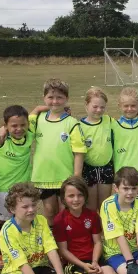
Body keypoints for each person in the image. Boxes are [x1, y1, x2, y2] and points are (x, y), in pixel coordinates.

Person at [29, 79, 86, 228]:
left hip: (65, 177)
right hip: (44, 176)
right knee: (49, 211)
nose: (55, 101)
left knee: (64, 212)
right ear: (44, 98)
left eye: (60, 97)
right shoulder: (38, 119)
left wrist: (76, 177)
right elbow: (20, 128)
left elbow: (79, 152)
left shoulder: (72, 123)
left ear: (66, 99)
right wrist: (36, 110)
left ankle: (66, 244)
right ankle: (53, 243)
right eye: (50, 97)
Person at [53, 177, 118, 274]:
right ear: (63, 198)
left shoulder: (92, 216)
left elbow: (97, 242)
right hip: (74, 262)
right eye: (71, 196)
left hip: (93, 259)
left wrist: (95, 261)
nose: (76, 199)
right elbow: (63, 250)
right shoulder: (60, 220)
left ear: (85, 196)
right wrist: (83, 265)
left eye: (80, 195)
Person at [0, 105, 33, 270]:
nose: (19, 129)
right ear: (6, 125)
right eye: (13, 126)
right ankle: (1, 254)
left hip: (23, 189)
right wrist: (1, 130)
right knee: (3, 220)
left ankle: (23, 252)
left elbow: (37, 110)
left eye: (22, 125)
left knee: (23, 219)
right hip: (3, 189)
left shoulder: (29, 135)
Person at [99, 167, 138, 274]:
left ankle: (131, 264)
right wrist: (130, 262)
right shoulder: (108, 205)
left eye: (134, 188)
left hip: (135, 249)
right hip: (115, 252)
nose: (130, 193)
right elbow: (119, 236)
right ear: (116, 188)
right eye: (125, 188)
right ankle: (113, 268)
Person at [78, 87, 114, 212]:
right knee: (91, 207)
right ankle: (93, 231)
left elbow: (124, 128)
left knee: (105, 206)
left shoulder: (109, 121)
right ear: (86, 105)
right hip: (88, 169)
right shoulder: (79, 126)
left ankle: (105, 231)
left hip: (106, 168)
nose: (99, 110)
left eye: (102, 107)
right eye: (95, 106)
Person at [111, 87, 138, 196]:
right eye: (126, 106)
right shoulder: (113, 126)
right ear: (119, 106)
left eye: (133, 106)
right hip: (122, 175)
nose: (129, 109)